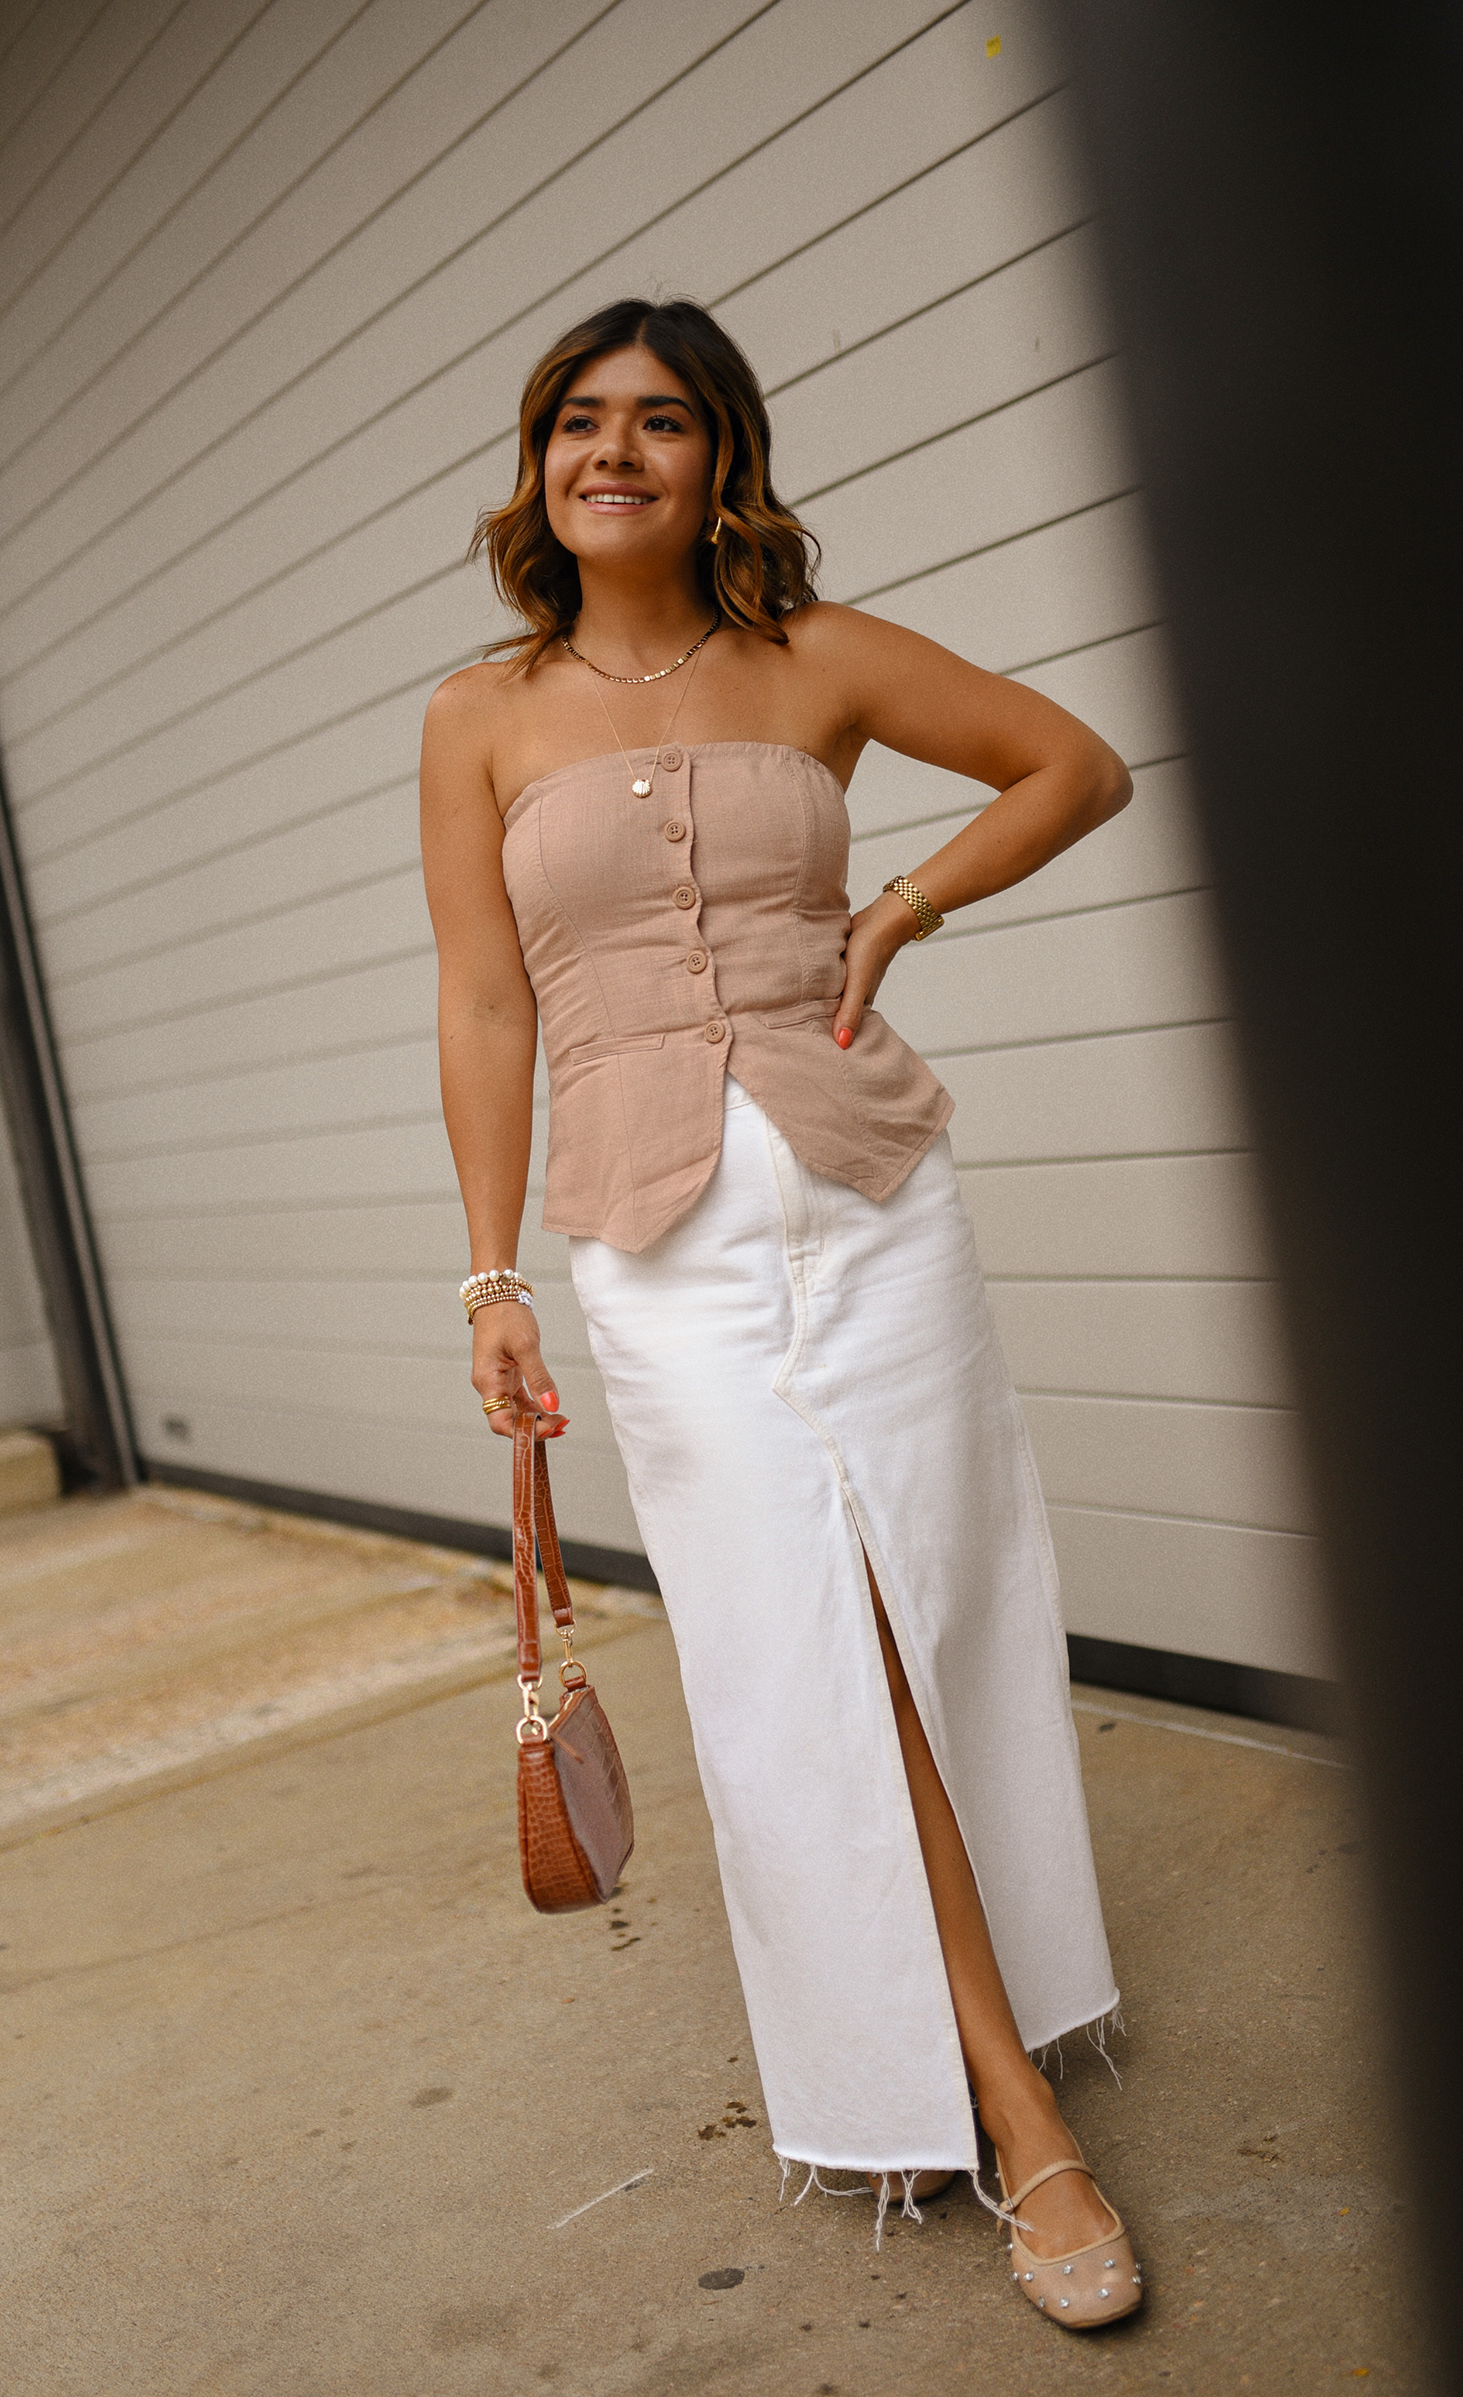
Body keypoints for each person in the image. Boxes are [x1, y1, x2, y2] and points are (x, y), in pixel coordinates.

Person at [420, 297, 1141, 2330]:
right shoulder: (476, 714)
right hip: (656, 1256)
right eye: (578, 421)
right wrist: (488, 1270)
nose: (614, 452)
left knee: (939, 1592)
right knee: (787, 1638)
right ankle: (985, 2092)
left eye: (659, 422)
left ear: (718, 455)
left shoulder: (815, 660)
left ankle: (997, 2058)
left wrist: (901, 902)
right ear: (539, 463)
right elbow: (484, 1000)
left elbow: (1069, 764)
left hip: (874, 1199)